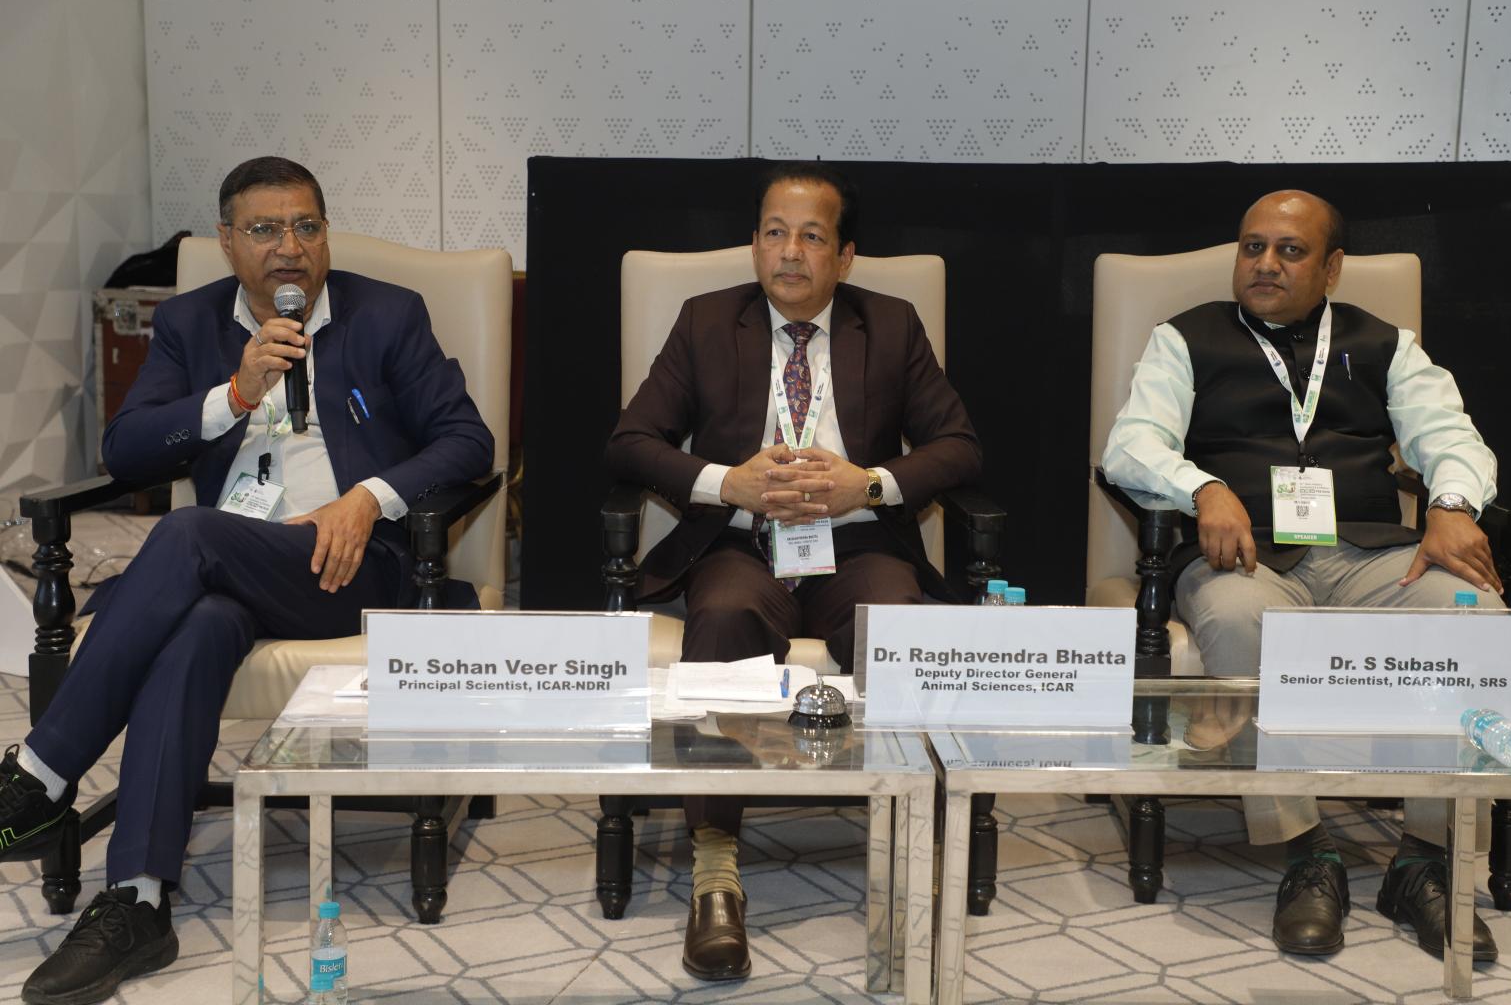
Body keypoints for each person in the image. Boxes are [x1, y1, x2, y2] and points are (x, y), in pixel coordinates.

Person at [0, 157, 493, 1004]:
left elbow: (467, 441)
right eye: (265, 229)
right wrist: (233, 393)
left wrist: (367, 500)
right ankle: (137, 903)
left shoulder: (387, 315)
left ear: (326, 234)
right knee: (194, 629)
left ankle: (42, 773)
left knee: (186, 533)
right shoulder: (189, 322)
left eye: (306, 226)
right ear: (227, 240)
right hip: (223, 574)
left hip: (342, 568)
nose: (289, 247)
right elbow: (126, 450)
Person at [1103, 189, 1505, 962]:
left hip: (1372, 554)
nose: (1265, 263)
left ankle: (1422, 858)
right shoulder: (1184, 339)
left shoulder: (1385, 343)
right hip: (1245, 556)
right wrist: (1202, 488)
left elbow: (1451, 436)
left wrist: (1452, 504)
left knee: (1475, 614)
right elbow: (1131, 446)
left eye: (1290, 251)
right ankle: (1306, 850)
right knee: (1238, 619)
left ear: (1332, 268)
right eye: (1252, 247)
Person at [605, 161, 981, 981]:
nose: (790, 251)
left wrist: (868, 484)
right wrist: (725, 482)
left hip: (860, 546)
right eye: (775, 232)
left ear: (844, 256)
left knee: (898, 626)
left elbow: (959, 445)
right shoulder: (707, 321)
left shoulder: (891, 324)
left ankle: (908, 841)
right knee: (723, 618)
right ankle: (715, 865)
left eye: (812, 236)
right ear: (753, 244)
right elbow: (631, 441)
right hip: (744, 544)